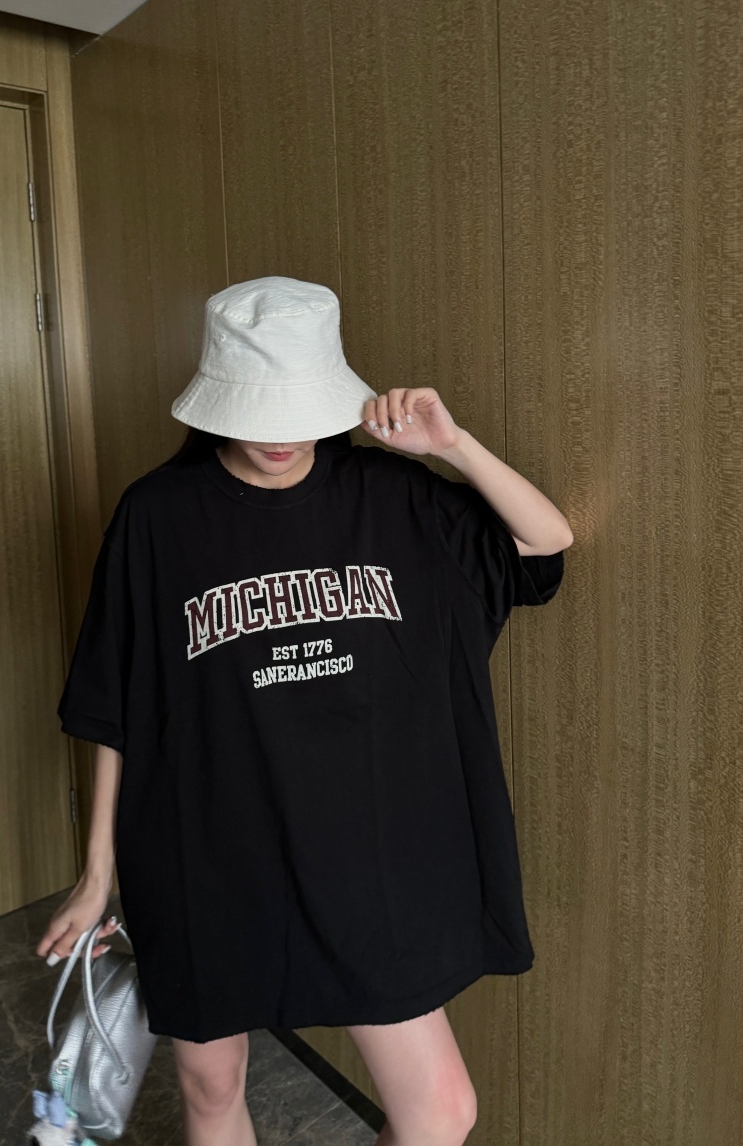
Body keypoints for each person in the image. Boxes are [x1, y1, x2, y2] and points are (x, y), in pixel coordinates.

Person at [37, 276, 573, 1146]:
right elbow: (114, 707)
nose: (280, 438)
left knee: (442, 1110)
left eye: (298, 410)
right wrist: (98, 874)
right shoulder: (157, 516)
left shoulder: (397, 497)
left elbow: (544, 544)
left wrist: (454, 446)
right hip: (204, 853)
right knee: (213, 1088)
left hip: (367, 859)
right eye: (256, 411)